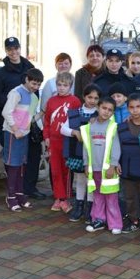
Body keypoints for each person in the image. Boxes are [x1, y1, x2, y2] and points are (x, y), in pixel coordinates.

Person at [0, 37, 47, 200]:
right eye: (10, 49)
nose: (13, 52)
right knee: (13, 159)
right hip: (10, 124)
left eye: (16, 48)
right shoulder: (0, 74)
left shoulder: (30, 68)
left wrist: (36, 117)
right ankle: (13, 192)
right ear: (6, 51)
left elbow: (35, 96)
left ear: (20, 48)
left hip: (28, 123)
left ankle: (28, 189)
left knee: (31, 157)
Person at [0, 68, 44, 211]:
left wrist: (43, 113)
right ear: (26, 79)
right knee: (13, 165)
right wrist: (15, 129)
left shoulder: (34, 97)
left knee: (21, 165)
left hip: (24, 134)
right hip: (13, 134)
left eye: (38, 85)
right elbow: (6, 112)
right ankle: (11, 197)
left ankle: (20, 194)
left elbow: (29, 118)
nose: (35, 87)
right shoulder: (16, 93)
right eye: (33, 83)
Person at [81, 96, 123, 234]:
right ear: (98, 108)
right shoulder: (89, 126)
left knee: (111, 197)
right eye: (104, 108)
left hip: (108, 170)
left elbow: (116, 147)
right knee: (97, 196)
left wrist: (113, 165)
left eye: (110, 110)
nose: (106, 112)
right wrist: (86, 164)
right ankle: (98, 220)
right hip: (94, 169)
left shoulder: (112, 127)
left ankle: (115, 223)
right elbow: (86, 147)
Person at [61, 83, 100, 222]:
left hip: (94, 153)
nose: (92, 101)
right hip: (77, 151)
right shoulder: (74, 112)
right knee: (80, 179)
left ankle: (89, 208)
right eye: (90, 97)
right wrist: (74, 132)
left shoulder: (100, 114)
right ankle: (79, 206)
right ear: (84, 97)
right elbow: (62, 128)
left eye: (96, 98)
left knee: (91, 180)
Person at [43, 72, 81, 213]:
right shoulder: (51, 101)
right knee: (55, 170)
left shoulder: (75, 101)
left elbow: (76, 122)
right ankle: (58, 197)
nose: (62, 88)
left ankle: (65, 199)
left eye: (65, 85)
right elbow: (47, 121)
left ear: (70, 86)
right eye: (59, 84)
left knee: (66, 170)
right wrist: (46, 136)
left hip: (67, 141)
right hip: (53, 141)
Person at [117, 93, 140, 234]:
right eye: (131, 107)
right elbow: (115, 147)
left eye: (138, 106)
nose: (135, 110)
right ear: (127, 108)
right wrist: (116, 162)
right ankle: (133, 220)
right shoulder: (121, 127)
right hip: (127, 168)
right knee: (130, 197)